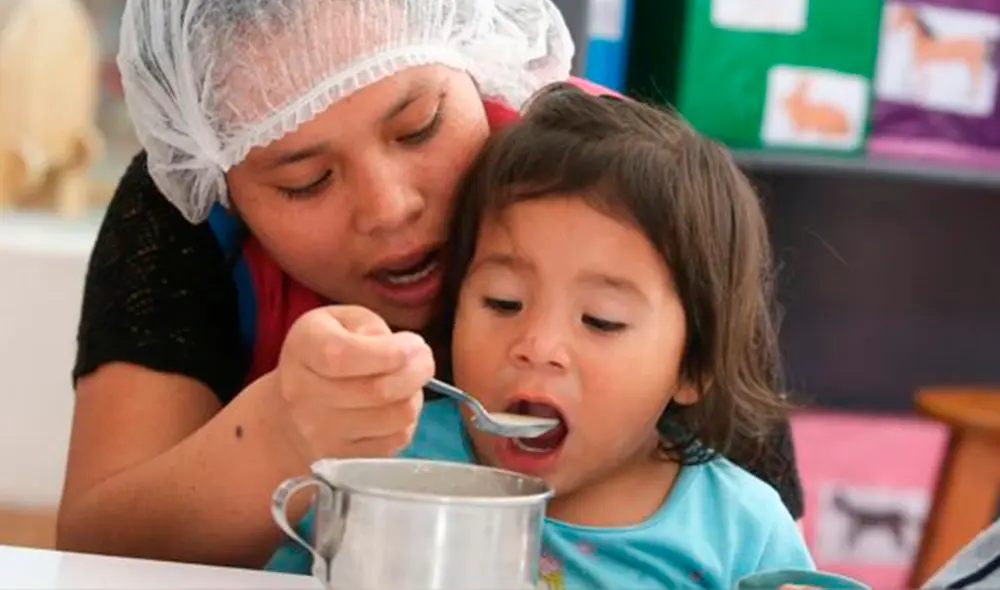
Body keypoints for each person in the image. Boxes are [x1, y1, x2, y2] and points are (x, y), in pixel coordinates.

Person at [58, 0, 804, 569]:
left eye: (419, 126)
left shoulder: (637, 199)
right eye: (306, 180)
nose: (390, 208)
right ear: (220, 185)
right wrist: (279, 436)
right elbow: (94, 557)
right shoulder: (184, 205)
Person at [266, 83, 813, 587]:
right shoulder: (388, 463)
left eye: (601, 320)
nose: (537, 346)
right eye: (503, 302)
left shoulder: (741, 528)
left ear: (692, 365)